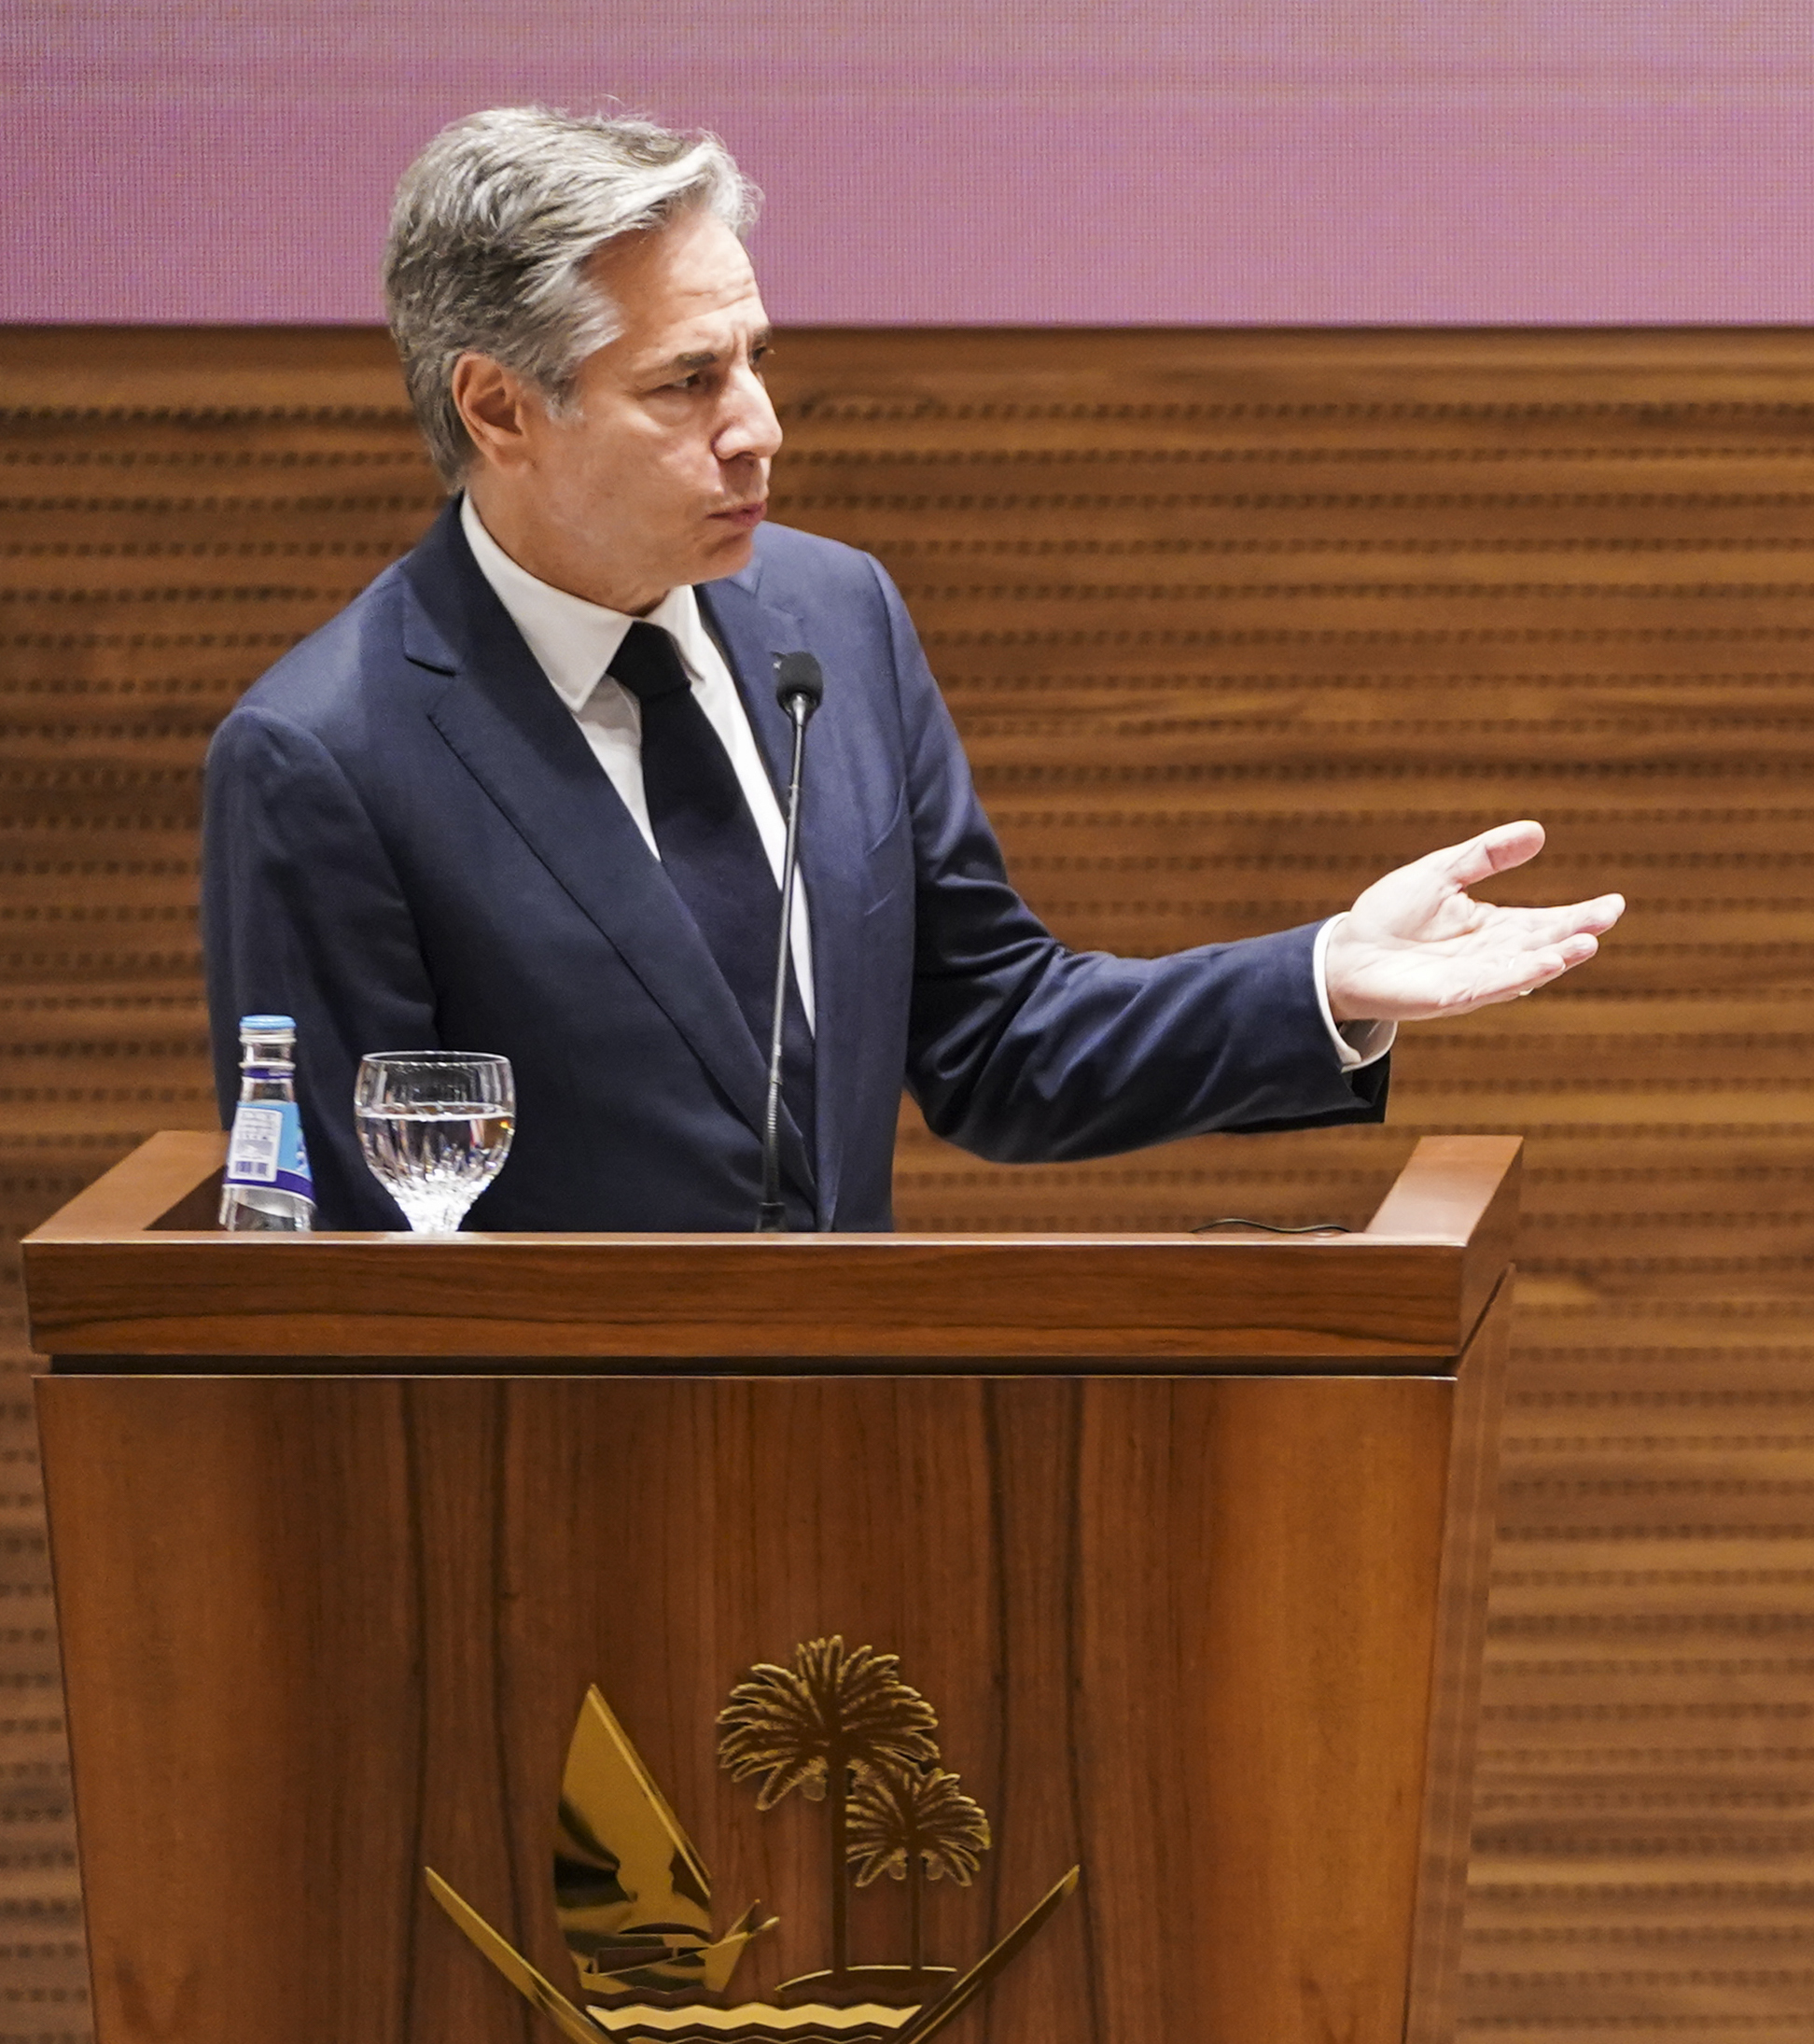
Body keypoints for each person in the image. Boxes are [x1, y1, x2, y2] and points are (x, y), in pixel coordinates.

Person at [199, 106, 1624, 1230]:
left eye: (755, 360)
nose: (757, 427)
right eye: (686, 383)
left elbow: (995, 1042)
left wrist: (1327, 981)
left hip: (864, 1461)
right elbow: (345, 1262)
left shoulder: (832, 618)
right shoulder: (329, 760)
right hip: (547, 1518)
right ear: (502, 408)